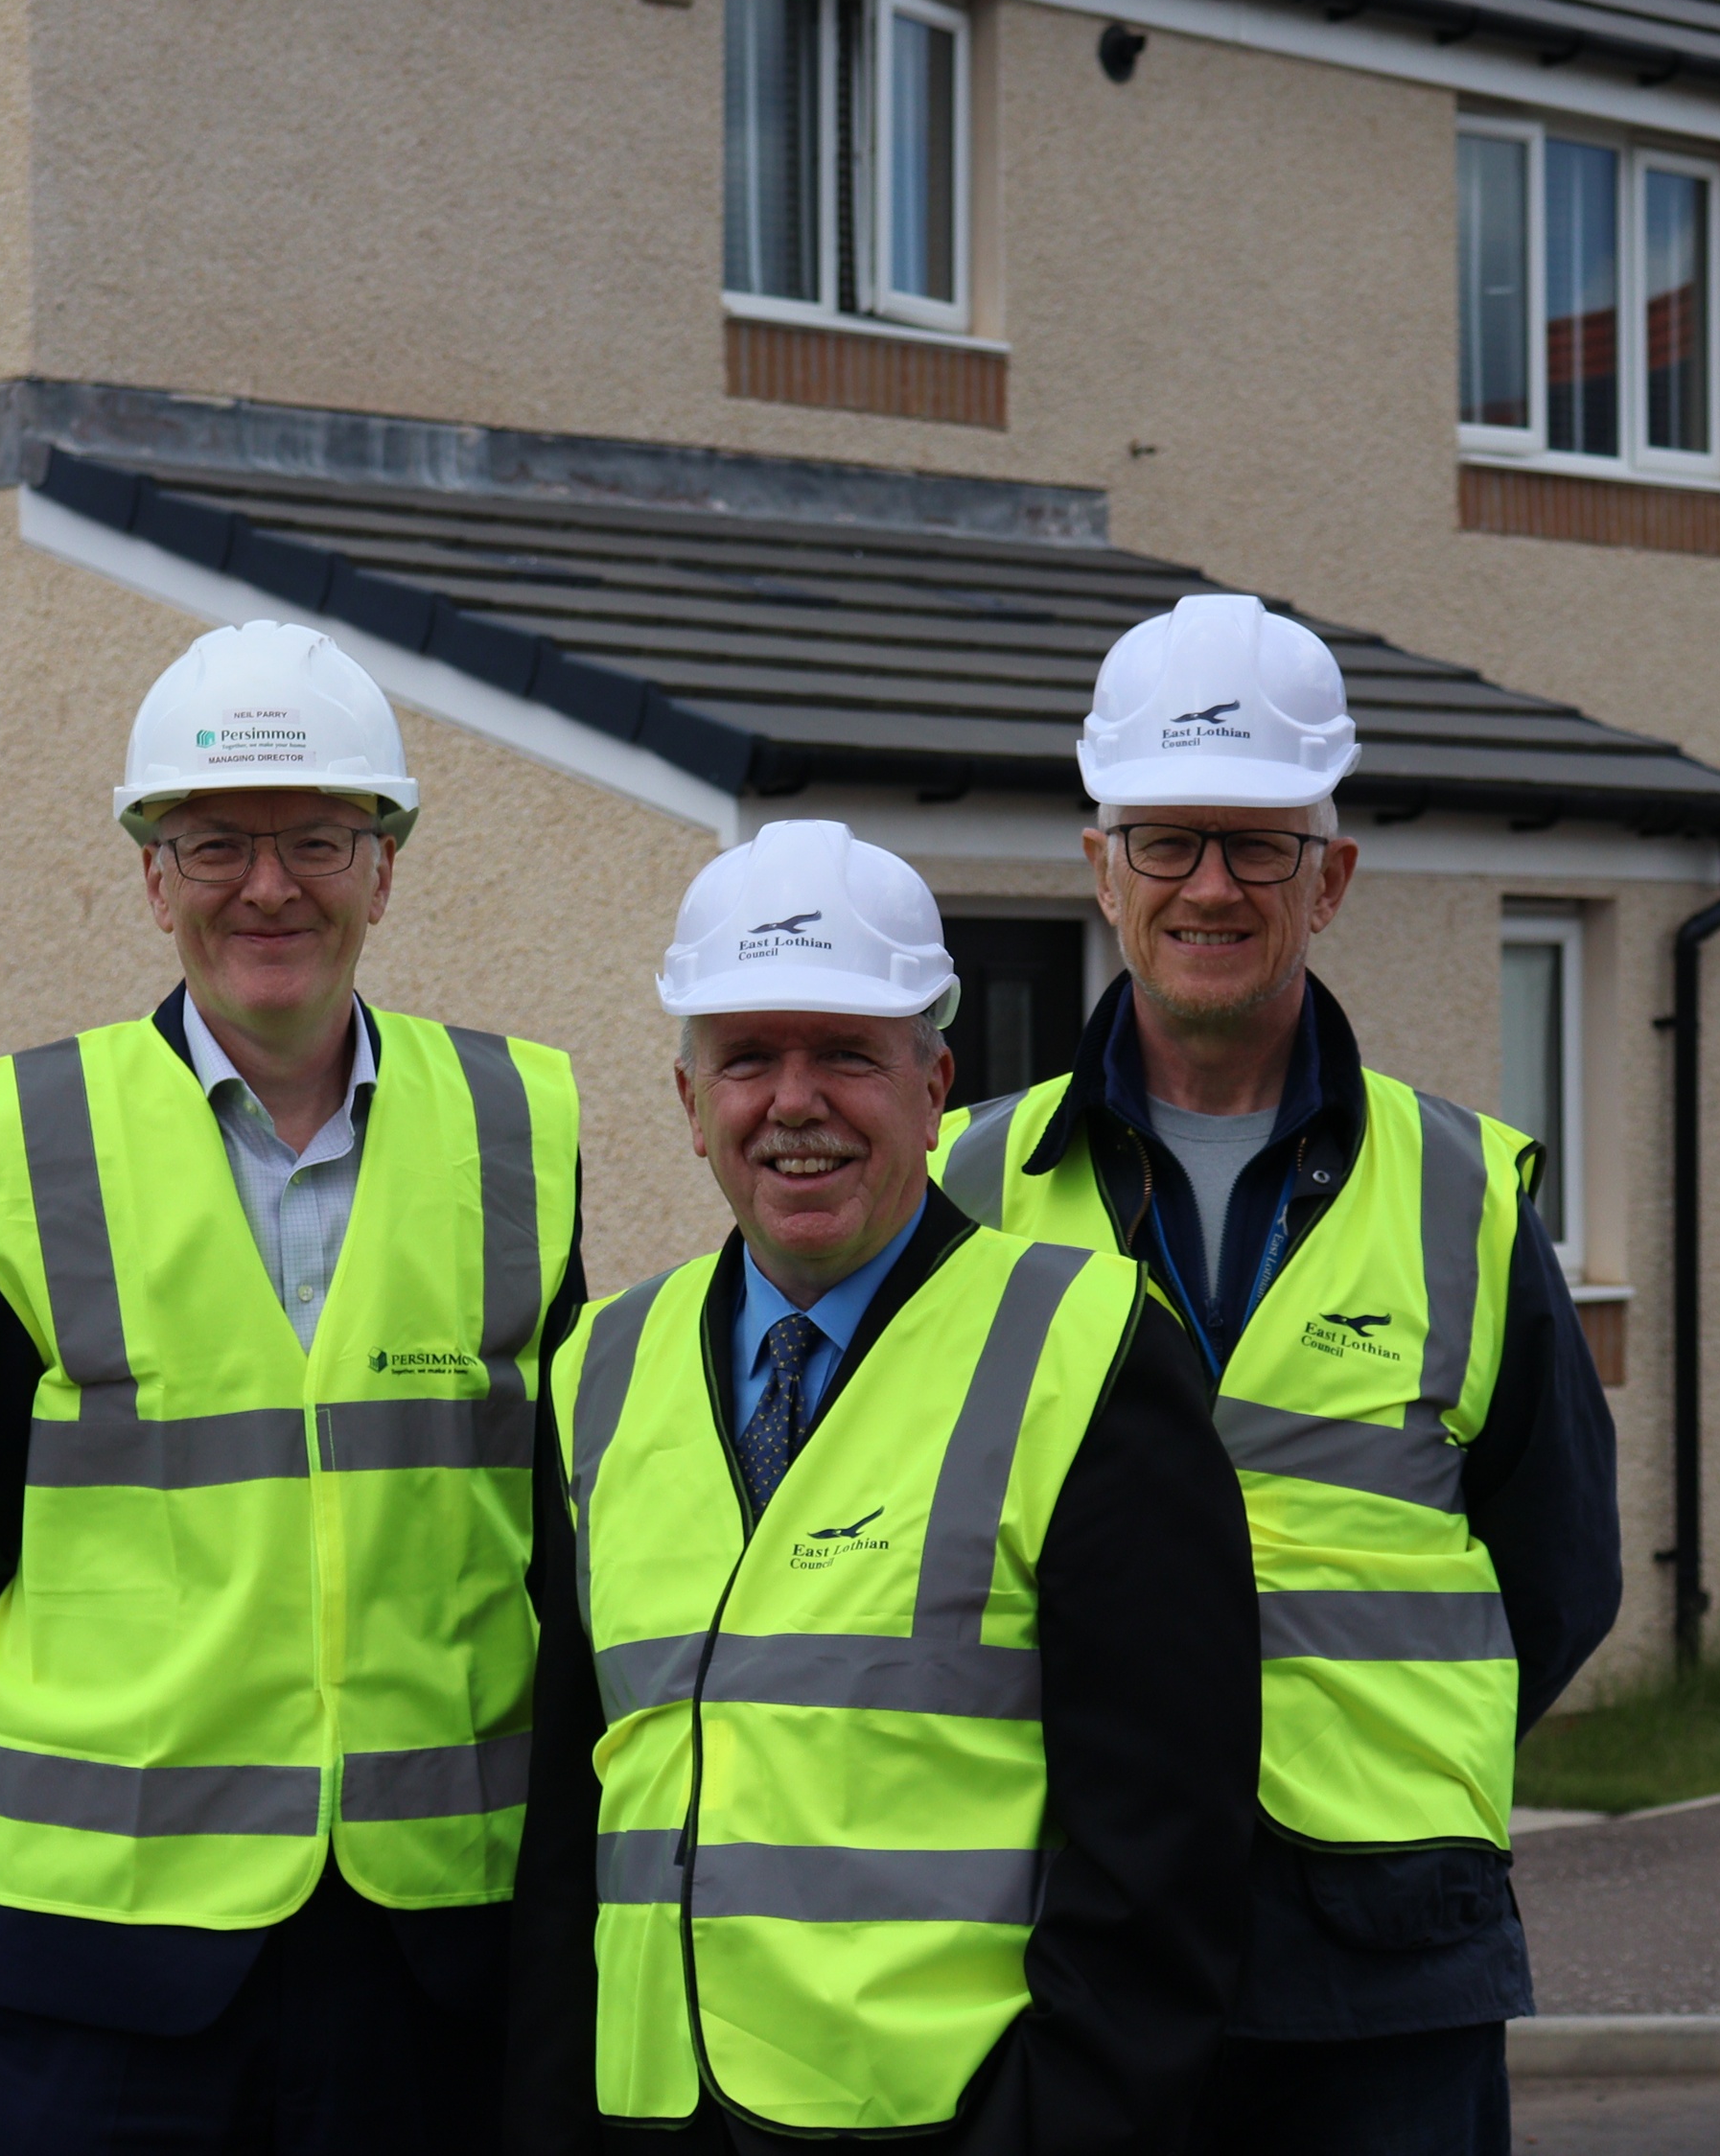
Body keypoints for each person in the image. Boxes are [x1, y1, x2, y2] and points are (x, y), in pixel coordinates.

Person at [930, 594, 1625, 2156]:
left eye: (1261, 844)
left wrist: (1394, 1762)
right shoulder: (967, 1187)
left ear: (1335, 878)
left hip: (1385, 1953)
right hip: (1060, 1928)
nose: (1212, 885)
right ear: (1100, 866)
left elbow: (1559, 1575)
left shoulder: (1464, 1194)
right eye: (1168, 840)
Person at [0, 618, 584, 2156]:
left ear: (387, 863)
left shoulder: (518, 1125)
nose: (269, 885)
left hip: (427, 1955)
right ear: (151, 873)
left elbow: (553, 1523)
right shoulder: (16, 1140)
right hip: (113, 1971)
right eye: (216, 843)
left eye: (318, 837)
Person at [510, 819, 1258, 2156]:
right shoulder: (599, 1367)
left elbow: (1162, 1860)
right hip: (648, 2116)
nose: (793, 1103)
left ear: (933, 1086)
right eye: (746, 1059)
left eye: (847, 1054)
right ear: (689, 1106)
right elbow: (571, 1826)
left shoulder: (1083, 1350)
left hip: (943, 2126)